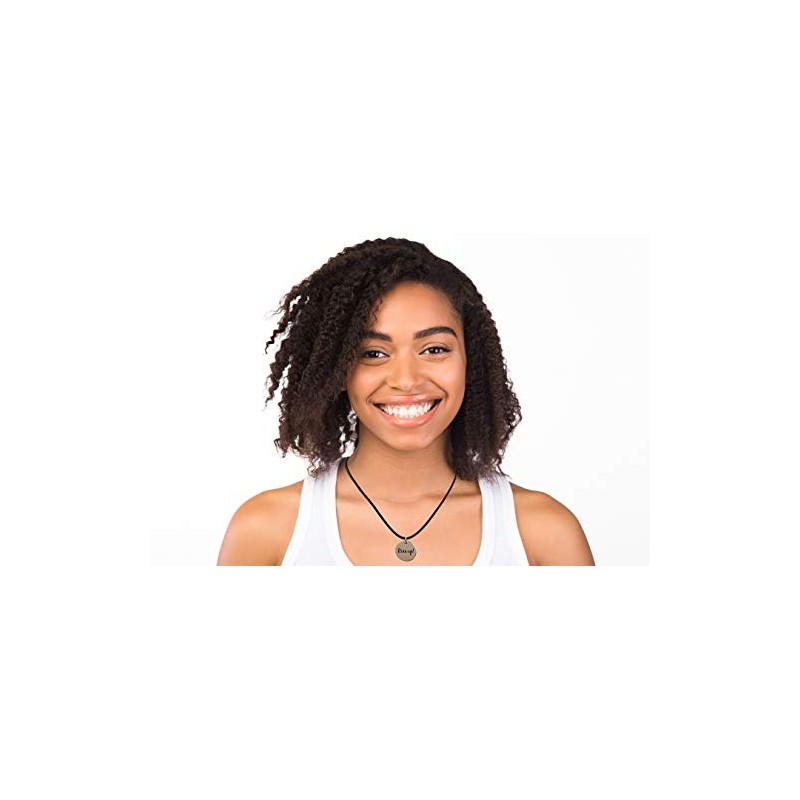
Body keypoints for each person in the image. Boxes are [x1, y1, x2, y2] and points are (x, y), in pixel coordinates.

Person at [217, 238, 594, 566]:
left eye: (434, 349)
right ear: (338, 370)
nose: (407, 380)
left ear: (471, 361)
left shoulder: (544, 533)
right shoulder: (267, 531)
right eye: (374, 353)